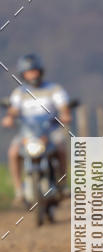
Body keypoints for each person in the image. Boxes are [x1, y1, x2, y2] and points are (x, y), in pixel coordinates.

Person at [2, 54, 71, 205]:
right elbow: (14, 110)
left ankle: (63, 185)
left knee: (60, 149)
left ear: (40, 71)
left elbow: (63, 107)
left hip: (50, 131)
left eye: (34, 71)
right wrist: (9, 118)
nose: (32, 74)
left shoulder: (53, 89)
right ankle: (19, 190)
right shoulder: (20, 93)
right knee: (13, 153)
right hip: (28, 133)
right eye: (28, 72)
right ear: (23, 74)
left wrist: (65, 114)